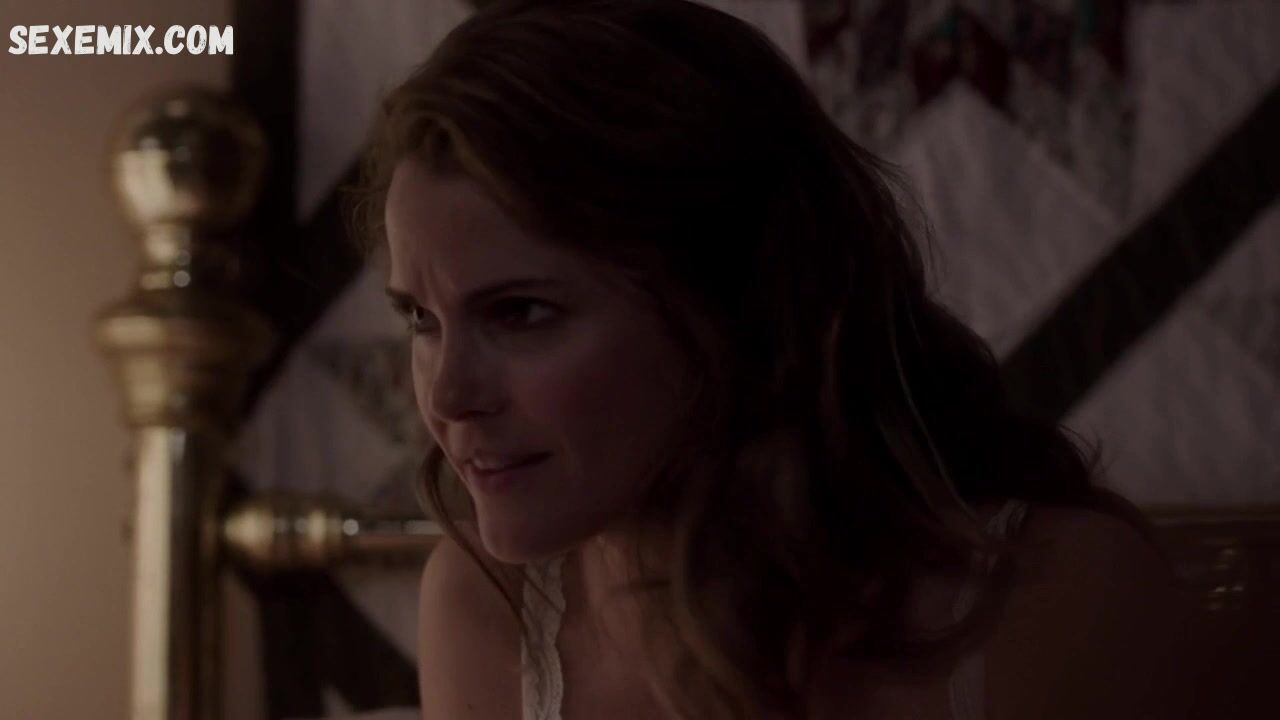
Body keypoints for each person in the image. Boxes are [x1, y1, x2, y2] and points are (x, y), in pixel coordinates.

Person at [353, 1, 1194, 718]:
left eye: (521, 312)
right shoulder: (485, 610)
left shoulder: (1055, 599)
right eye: (421, 318)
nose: (448, 396)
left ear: (727, 300)